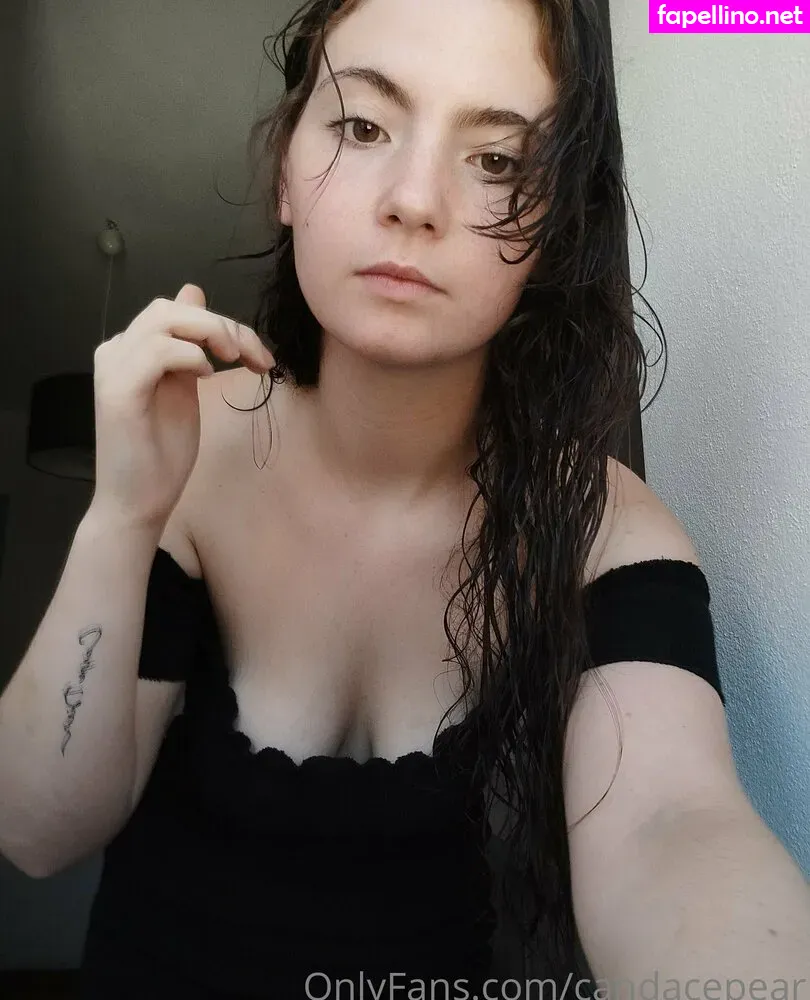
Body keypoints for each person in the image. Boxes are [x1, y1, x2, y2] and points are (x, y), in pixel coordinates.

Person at [2, 0, 809, 997]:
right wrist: (122, 514)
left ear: (554, 226)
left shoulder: (607, 531)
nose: (415, 200)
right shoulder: (191, 447)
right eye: (363, 125)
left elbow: (673, 826)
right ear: (285, 172)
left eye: (497, 160)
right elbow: (36, 832)